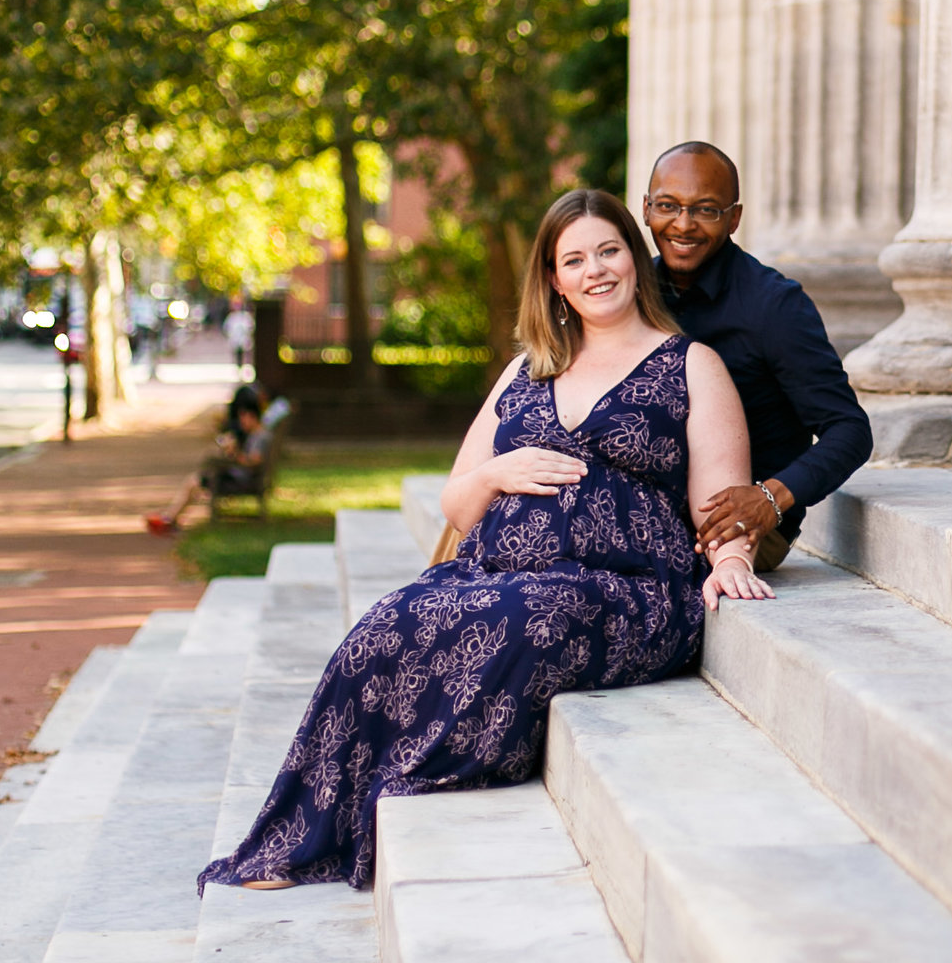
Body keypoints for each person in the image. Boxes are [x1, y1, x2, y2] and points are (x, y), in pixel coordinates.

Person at [200, 189, 766, 892]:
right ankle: (298, 838)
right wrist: (499, 468)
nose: (596, 270)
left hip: (625, 589)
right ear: (555, 279)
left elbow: (721, 500)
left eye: (610, 250)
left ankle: (396, 784)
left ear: (635, 258)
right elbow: (457, 499)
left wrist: (731, 558)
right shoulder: (528, 368)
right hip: (495, 568)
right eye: (575, 259)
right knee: (382, 626)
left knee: (526, 618)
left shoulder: (690, 365)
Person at [643, 141, 875, 572]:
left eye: (706, 210)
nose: (683, 224)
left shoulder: (775, 306)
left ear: (734, 218)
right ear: (645, 209)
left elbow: (850, 430)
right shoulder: (632, 291)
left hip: (740, 524)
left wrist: (772, 496)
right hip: (648, 504)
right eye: (668, 205)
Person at [148, 396, 274, 534]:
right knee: (195, 480)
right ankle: (171, 518)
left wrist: (234, 453)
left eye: (243, 417)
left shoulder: (260, 437)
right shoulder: (258, 435)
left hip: (242, 481)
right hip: (241, 477)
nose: (241, 421)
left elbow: (253, 462)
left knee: (194, 482)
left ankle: (170, 519)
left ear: (252, 416)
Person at [223, 301, 255, 376]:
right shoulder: (233, 317)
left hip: (242, 339)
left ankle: (243, 368)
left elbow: (250, 327)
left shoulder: (244, 317)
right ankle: (239, 368)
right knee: (239, 355)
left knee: (243, 355)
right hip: (237, 339)